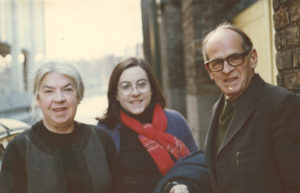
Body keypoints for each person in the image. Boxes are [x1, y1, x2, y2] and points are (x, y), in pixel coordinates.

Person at [161, 22, 300, 193]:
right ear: (209, 71)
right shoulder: (217, 108)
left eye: (234, 58)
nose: (226, 70)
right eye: (217, 63)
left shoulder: (281, 105)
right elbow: (221, 172)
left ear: (253, 58)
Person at [0, 61, 119, 193]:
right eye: (49, 91)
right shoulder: (19, 148)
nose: (59, 98)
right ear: (38, 99)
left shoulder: (101, 139)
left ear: (79, 96)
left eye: (67, 89)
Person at [96, 57, 198, 193]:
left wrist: (186, 186)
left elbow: (198, 166)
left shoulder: (176, 120)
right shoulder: (106, 130)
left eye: (142, 84)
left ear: (151, 88)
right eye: (126, 87)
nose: (135, 93)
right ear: (116, 95)